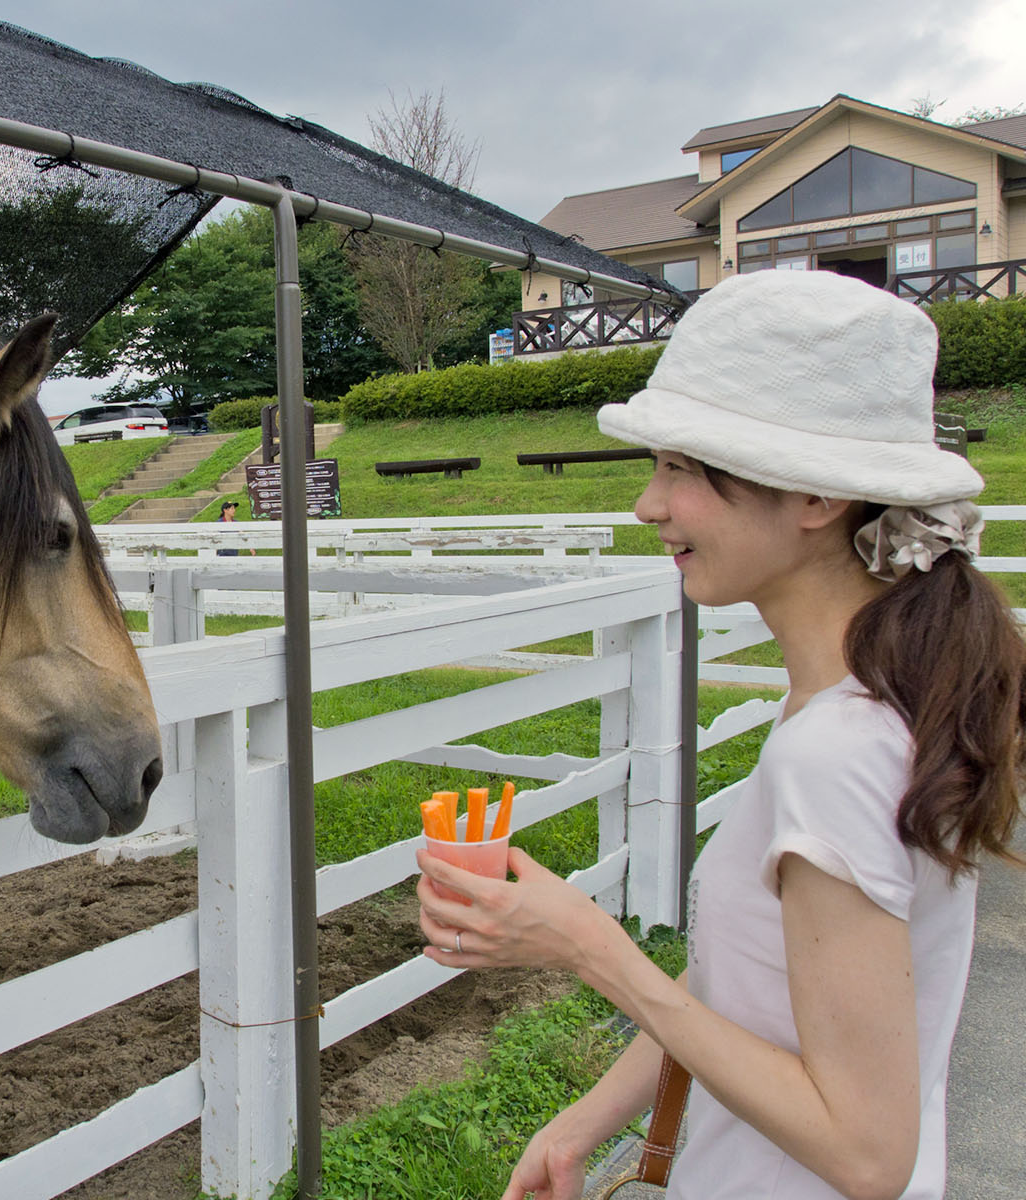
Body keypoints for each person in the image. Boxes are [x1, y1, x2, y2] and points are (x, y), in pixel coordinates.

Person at [415, 270, 1023, 1200]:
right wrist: (587, 1120)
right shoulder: (867, 703)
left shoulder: (837, 752)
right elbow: (754, 979)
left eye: (681, 469)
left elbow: (866, 1154)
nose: (648, 505)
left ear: (814, 497)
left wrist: (591, 948)